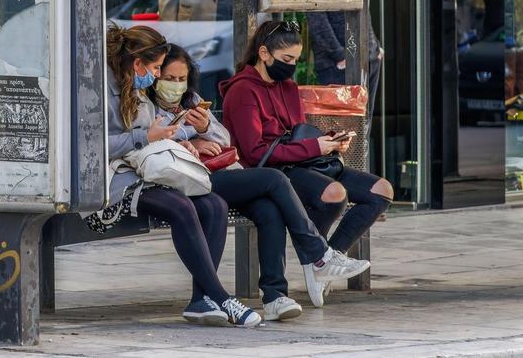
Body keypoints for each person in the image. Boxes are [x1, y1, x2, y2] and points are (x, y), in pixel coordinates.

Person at [148, 44, 372, 312]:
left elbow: (223, 138)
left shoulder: (192, 101)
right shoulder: (147, 105)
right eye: (169, 79)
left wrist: (205, 127)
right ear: (156, 76)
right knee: (273, 179)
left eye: (181, 79)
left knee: (269, 209)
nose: (175, 85)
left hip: (216, 176)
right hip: (183, 180)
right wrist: (189, 139)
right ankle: (318, 255)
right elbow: (148, 141)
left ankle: (275, 296)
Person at [102, 23, 260, 327]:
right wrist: (147, 137)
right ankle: (221, 297)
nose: (159, 76)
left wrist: (177, 140)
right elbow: (91, 147)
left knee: (213, 204)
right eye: (158, 68)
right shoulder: (101, 92)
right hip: (112, 181)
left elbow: (151, 139)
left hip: (145, 173)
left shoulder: (136, 90)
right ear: (137, 64)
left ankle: (201, 300)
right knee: (182, 206)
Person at [219, 20, 394, 292]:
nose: (290, 65)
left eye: (296, 59)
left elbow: (295, 133)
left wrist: (330, 142)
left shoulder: (287, 86)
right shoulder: (242, 90)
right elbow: (255, 153)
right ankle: (319, 260)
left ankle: (323, 258)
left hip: (303, 162)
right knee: (334, 193)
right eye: (286, 58)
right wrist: (316, 147)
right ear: (264, 53)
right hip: (274, 170)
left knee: (381, 190)